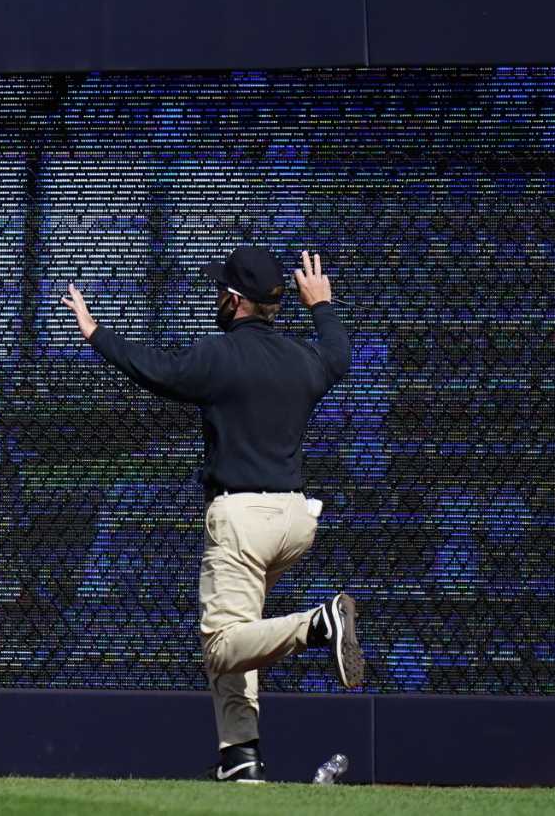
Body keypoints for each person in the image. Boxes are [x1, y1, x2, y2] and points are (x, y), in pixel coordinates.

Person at [59, 247, 359, 785]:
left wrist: (95, 333)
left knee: (221, 645)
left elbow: (156, 371)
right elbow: (338, 354)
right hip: (295, 519)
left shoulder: (218, 355)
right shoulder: (304, 360)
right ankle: (240, 757)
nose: (216, 296)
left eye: (222, 289)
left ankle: (319, 624)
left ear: (236, 300)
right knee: (238, 639)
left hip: (242, 518)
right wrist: (322, 305)